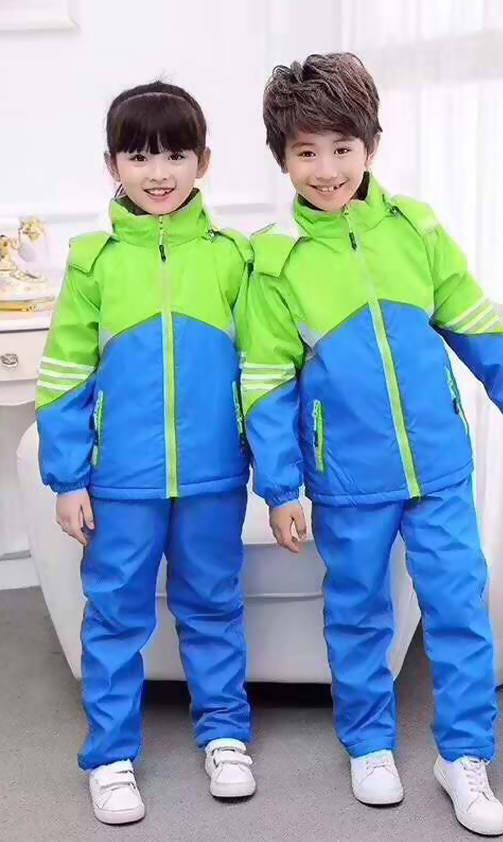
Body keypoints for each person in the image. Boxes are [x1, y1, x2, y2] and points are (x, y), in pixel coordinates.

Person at [237, 53, 503, 836]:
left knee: (459, 606)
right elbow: (265, 385)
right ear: (281, 157)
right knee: (358, 611)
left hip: (438, 465)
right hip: (347, 476)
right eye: (305, 152)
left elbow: (472, 319)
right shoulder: (274, 259)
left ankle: (464, 756)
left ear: (372, 145)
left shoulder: (415, 227)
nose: (326, 170)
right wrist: (281, 488)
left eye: (342, 148)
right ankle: (368, 744)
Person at [36, 81, 256, 825]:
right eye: (138, 156)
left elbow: (261, 367)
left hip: (213, 475)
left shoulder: (233, 258)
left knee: (214, 605)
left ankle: (225, 735)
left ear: (204, 162)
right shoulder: (93, 262)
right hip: (120, 480)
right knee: (115, 616)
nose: (158, 173)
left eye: (174, 155)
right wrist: (69, 478)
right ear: (112, 165)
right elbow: (64, 375)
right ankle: (111, 755)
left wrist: (274, 469)